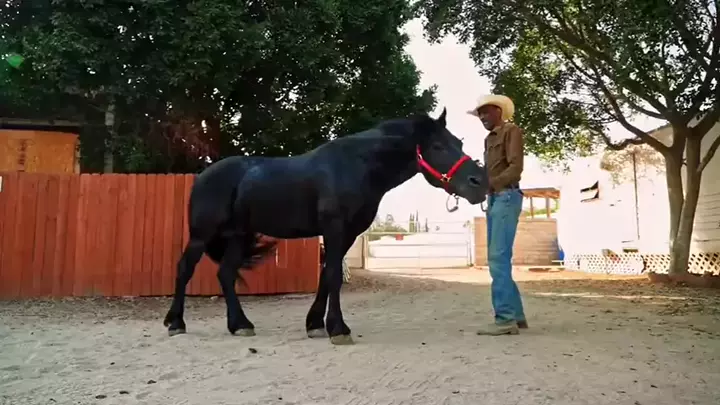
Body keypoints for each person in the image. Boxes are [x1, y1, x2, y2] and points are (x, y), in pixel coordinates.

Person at [467, 94, 528, 335]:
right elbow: (492, 170)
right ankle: (517, 316)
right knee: (499, 259)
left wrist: (492, 184)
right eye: (480, 114)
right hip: (495, 198)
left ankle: (505, 320)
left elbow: (516, 168)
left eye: (486, 112)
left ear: (499, 112)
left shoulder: (511, 131)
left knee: (497, 259)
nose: (482, 117)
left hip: (506, 195)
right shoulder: (488, 139)